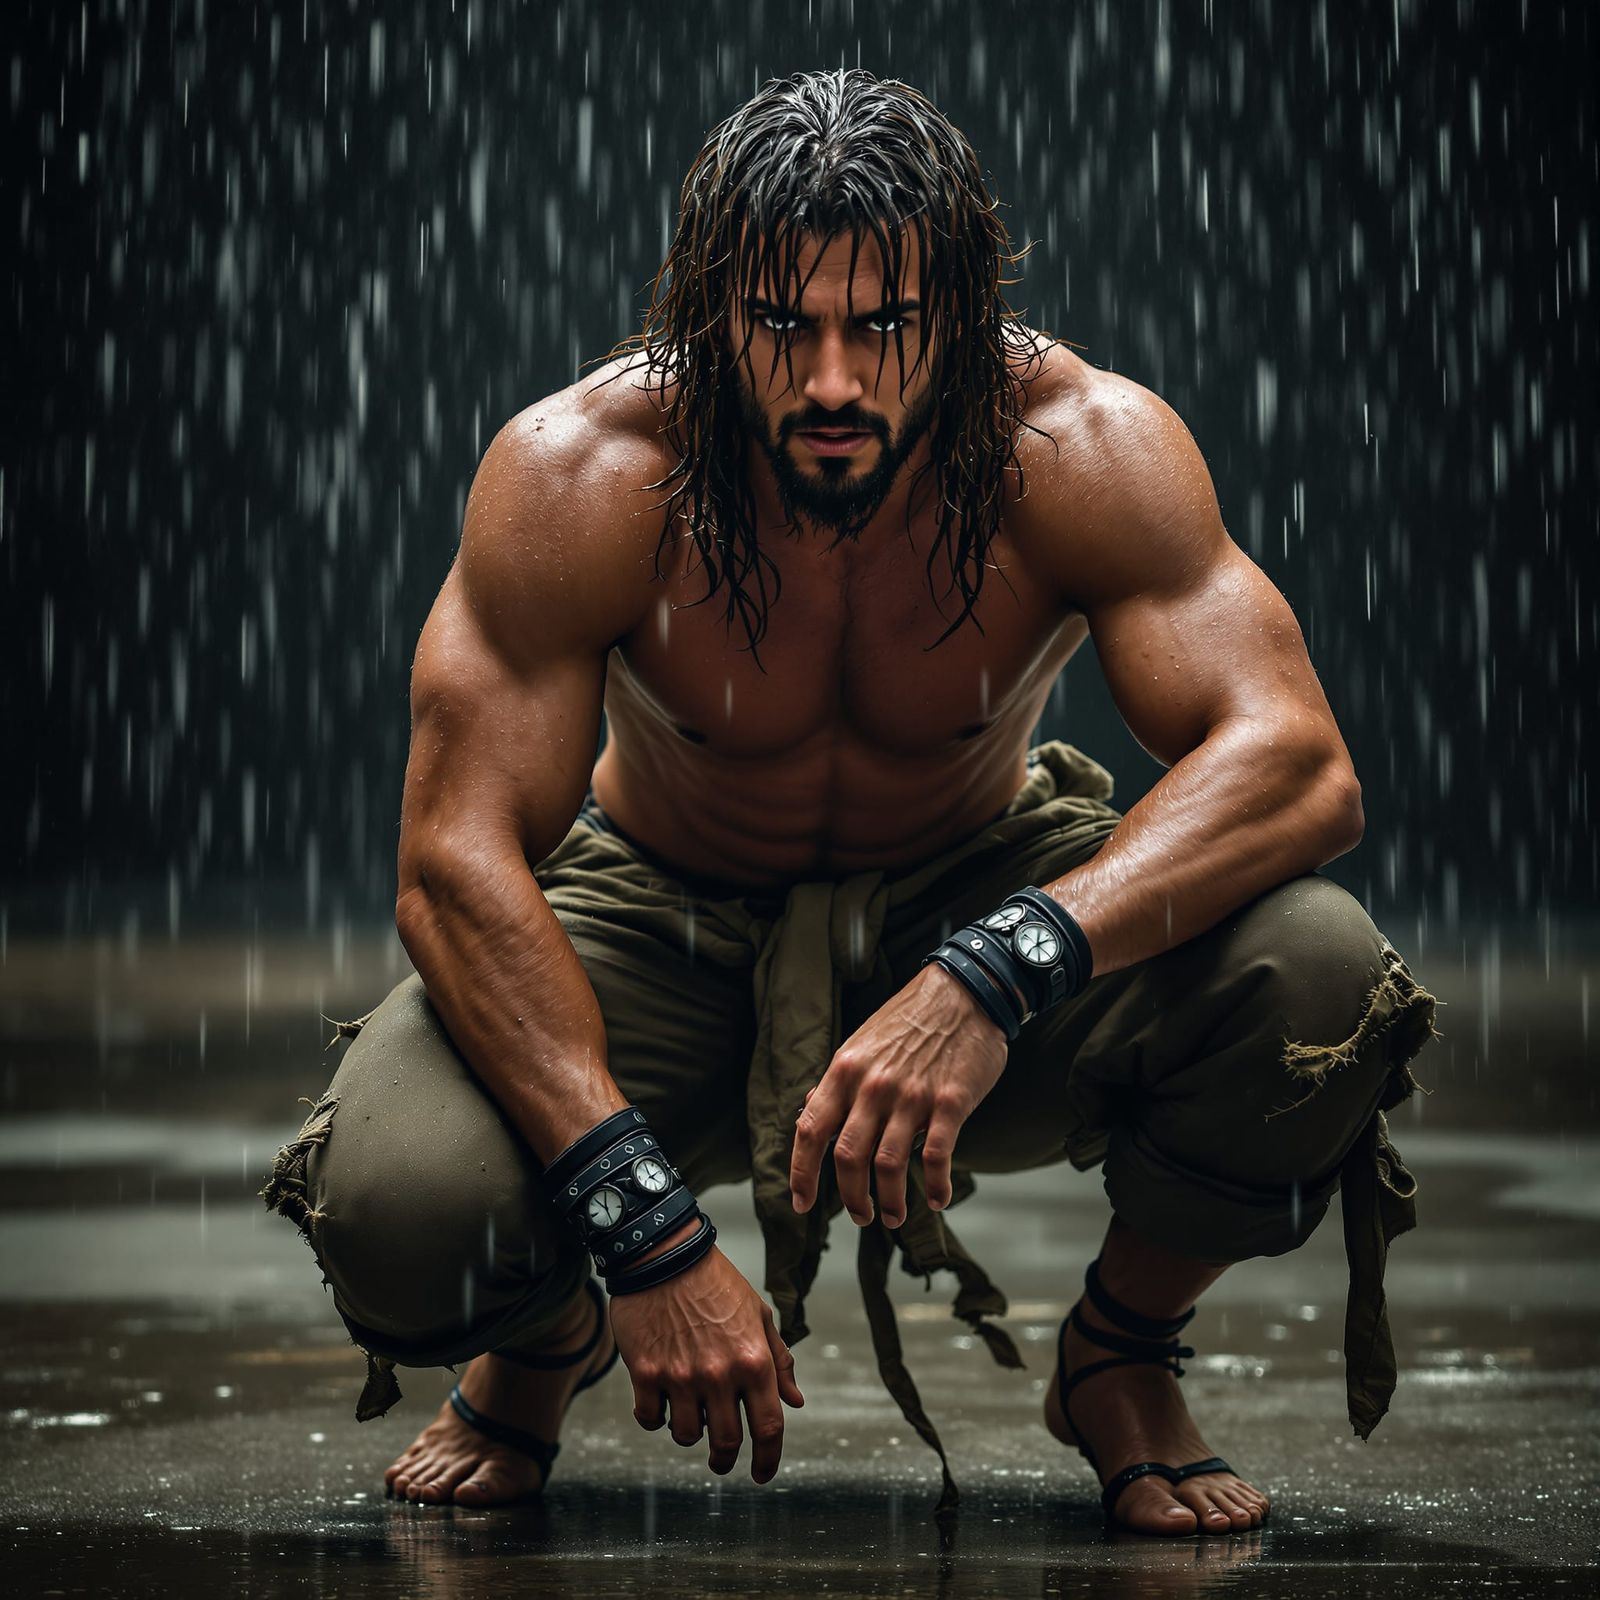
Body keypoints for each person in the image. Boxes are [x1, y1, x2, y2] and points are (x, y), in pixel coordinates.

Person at [264, 68, 1440, 1538]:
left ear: (955, 312)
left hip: (977, 869)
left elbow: (1295, 761)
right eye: (782, 327)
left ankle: (1121, 1353)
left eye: (880, 327)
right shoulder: (584, 472)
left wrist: (1000, 965)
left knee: (1318, 981)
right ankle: (541, 1338)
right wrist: (635, 1224)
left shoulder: (1078, 446)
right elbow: (452, 862)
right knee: (401, 1208)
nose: (832, 382)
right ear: (709, 314)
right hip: (658, 908)